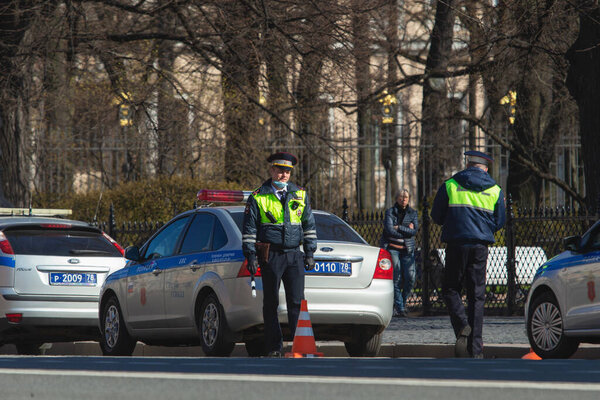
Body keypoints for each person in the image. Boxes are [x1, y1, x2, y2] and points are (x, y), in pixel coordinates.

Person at [430, 150, 506, 359]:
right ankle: (476, 350)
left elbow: (436, 215)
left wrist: (454, 221)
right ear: (486, 168)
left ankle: (463, 325)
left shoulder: (450, 185)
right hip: (480, 246)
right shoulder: (495, 190)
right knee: (477, 296)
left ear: (467, 164)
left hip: (456, 243)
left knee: (450, 288)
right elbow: (500, 221)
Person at [242, 151, 317, 358]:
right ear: (272, 170)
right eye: (279, 170)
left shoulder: (300, 194)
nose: (283, 175)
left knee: (297, 302)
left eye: (287, 171)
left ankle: (300, 346)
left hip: (294, 255)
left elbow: (309, 225)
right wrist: (251, 256)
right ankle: (274, 347)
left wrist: (310, 252)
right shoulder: (258, 196)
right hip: (271, 255)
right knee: (271, 303)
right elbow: (249, 230)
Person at [380, 189, 418, 317]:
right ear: (396, 198)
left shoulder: (413, 213)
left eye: (406, 197)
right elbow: (390, 230)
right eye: (401, 197)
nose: (403, 199)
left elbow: (414, 232)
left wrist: (400, 227)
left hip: (407, 249)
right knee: (396, 277)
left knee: (410, 277)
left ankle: (400, 301)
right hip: (393, 249)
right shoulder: (390, 212)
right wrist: (406, 230)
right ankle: (400, 307)